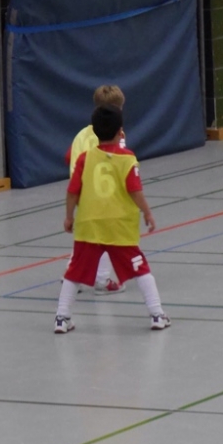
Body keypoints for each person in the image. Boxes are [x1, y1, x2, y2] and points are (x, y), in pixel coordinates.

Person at [55, 104, 170, 333]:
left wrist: (69, 216)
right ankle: (157, 314)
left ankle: (61, 317)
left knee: (74, 272)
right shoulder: (127, 159)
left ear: (95, 132)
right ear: (121, 132)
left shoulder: (85, 159)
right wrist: (147, 212)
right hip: (119, 226)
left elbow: (72, 191)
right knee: (140, 268)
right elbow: (135, 190)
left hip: (90, 225)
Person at [64, 85, 127, 295]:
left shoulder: (82, 134)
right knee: (107, 235)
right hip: (101, 193)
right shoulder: (115, 135)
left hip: (81, 192)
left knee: (87, 235)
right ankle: (102, 280)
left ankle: (71, 274)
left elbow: (69, 157)